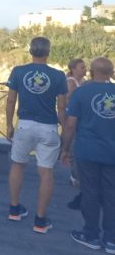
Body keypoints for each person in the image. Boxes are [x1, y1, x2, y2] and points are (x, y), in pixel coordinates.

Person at [6, 36, 66, 233]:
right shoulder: (58, 76)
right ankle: (40, 221)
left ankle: (14, 210)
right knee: (46, 172)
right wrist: (65, 131)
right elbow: (62, 107)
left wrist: (9, 125)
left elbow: (10, 101)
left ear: (30, 51)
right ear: (48, 52)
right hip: (48, 127)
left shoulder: (19, 71)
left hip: (24, 125)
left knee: (17, 166)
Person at [60, 57, 115, 252]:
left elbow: (70, 124)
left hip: (87, 151)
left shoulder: (82, 92)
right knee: (111, 193)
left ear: (91, 72)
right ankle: (111, 239)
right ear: (111, 72)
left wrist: (65, 149)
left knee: (90, 192)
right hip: (112, 153)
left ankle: (91, 234)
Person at [65, 58, 87, 209]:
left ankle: (76, 175)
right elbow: (67, 101)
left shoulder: (83, 81)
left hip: (79, 118)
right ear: (73, 69)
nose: (84, 70)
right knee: (72, 146)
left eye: (85, 67)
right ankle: (75, 176)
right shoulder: (71, 81)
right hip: (72, 118)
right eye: (81, 67)